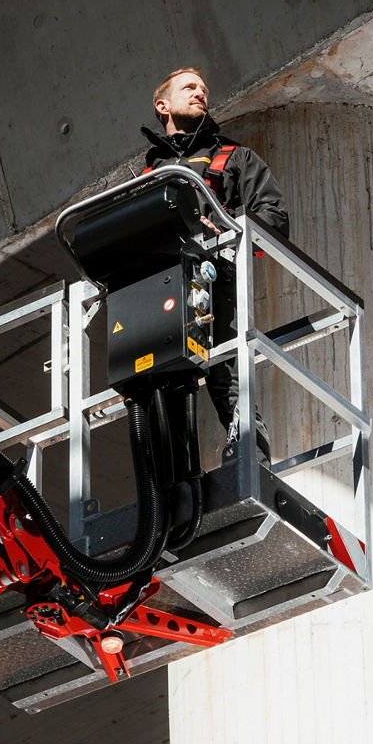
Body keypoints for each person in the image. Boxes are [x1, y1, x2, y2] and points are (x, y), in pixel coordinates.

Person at [141, 67, 290, 462]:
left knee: (229, 372)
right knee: (159, 387)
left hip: (215, 280)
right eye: (189, 87)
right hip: (162, 287)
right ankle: (173, 483)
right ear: (163, 105)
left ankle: (248, 455)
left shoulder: (235, 157)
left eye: (204, 89)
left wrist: (225, 233)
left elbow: (274, 217)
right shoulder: (145, 175)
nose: (200, 94)